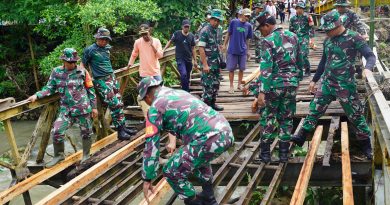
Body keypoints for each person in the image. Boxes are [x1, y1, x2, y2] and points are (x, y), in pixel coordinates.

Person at [291, 10, 376, 160]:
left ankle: (367, 148)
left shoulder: (354, 37)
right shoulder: (328, 41)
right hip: (327, 83)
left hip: (345, 86)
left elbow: (370, 55)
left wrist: (368, 69)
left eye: (328, 30)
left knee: (356, 116)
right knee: (314, 109)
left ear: (338, 25)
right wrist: (314, 80)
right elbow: (324, 62)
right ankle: (301, 136)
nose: (326, 33)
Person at [139, 77, 234, 205]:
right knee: (199, 159)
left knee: (171, 171)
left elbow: (151, 145)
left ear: (147, 97)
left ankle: (194, 202)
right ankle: (208, 196)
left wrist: (147, 177)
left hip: (207, 138)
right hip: (225, 131)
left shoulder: (155, 108)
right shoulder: (179, 93)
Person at [28, 48, 98, 167]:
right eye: (70, 62)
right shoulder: (56, 72)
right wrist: (37, 95)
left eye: (74, 62)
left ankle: (86, 155)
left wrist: (94, 107)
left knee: (86, 132)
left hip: (83, 108)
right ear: (64, 61)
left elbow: (90, 89)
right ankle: (59, 155)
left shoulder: (83, 72)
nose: (73, 64)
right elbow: (49, 88)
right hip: (66, 110)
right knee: (57, 131)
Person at [255, 11, 303, 163]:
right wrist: (297, 80)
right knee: (286, 118)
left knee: (268, 117)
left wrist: (262, 92)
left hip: (274, 86)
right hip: (291, 85)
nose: (260, 33)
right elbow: (300, 60)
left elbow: (266, 68)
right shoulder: (293, 36)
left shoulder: (268, 41)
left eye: (261, 29)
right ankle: (283, 155)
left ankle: (265, 155)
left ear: (267, 25)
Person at [81, 28, 136, 140]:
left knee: (120, 102)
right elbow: (82, 65)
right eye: (102, 39)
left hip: (112, 77)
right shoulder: (90, 50)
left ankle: (124, 127)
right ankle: (120, 131)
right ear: (97, 38)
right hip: (100, 80)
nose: (104, 41)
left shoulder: (107, 48)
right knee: (114, 104)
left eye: (106, 40)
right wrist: (84, 80)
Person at [127, 24, 164, 116]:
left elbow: (160, 56)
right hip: (144, 73)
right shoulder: (138, 42)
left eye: (146, 34)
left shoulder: (156, 41)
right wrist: (130, 64)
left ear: (149, 32)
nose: (144, 36)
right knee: (146, 96)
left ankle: (161, 112)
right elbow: (134, 53)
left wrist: (152, 45)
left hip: (155, 71)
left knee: (159, 93)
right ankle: (150, 115)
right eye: (142, 34)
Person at [198, 9, 225, 111]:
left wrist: (221, 58)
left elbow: (219, 44)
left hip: (216, 63)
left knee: (216, 85)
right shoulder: (205, 31)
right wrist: (205, 64)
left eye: (218, 20)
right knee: (207, 86)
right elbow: (201, 48)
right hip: (208, 63)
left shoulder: (219, 30)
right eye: (215, 20)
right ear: (211, 20)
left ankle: (213, 104)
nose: (217, 22)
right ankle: (205, 109)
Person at [335, 0, 368, 79]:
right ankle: (337, 73)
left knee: (353, 55)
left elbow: (358, 24)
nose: (340, 8)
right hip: (335, 37)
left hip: (348, 38)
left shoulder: (351, 14)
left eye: (342, 6)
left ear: (345, 6)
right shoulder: (334, 13)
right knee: (336, 55)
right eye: (338, 6)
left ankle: (358, 72)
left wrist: (363, 34)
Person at [223, 8, 253, 94]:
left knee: (241, 68)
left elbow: (248, 40)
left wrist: (248, 50)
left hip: (242, 50)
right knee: (231, 69)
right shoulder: (234, 22)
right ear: (242, 14)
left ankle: (239, 84)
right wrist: (225, 44)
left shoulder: (249, 26)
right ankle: (231, 86)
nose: (247, 17)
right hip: (232, 49)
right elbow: (228, 33)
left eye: (248, 16)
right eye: (246, 15)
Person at [164, 19, 197, 92]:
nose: (186, 28)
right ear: (182, 27)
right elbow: (170, 41)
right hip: (180, 58)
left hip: (188, 59)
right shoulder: (176, 34)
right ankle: (185, 91)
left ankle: (185, 87)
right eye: (185, 27)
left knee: (187, 75)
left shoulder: (191, 36)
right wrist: (164, 50)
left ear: (190, 27)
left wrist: (195, 60)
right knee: (183, 74)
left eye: (188, 27)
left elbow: (193, 48)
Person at [289, 1, 315, 76]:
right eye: (298, 8)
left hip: (304, 37)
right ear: (296, 9)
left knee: (303, 55)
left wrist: (311, 39)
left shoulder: (308, 17)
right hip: (296, 38)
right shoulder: (293, 19)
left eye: (301, 8)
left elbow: (311, 28)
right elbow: (291, 30)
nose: (299, 10)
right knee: (296, 55)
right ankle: (299, 71)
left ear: (303, 9)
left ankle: (307, 69)